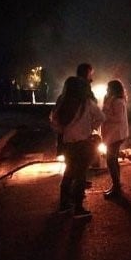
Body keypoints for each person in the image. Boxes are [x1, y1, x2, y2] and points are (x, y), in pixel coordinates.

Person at [50, 76, 105, 218]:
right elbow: (101, 117)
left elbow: (54, 122)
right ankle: (78, 209)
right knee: (80, 175)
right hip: (83, 144)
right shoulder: (86, 103)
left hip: (68, 144)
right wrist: (90, 128)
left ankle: (64, 204)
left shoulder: (63, 103)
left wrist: (64, 130)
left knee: (68, 172)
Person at [101, 80, 129, 198]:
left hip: (115, 135)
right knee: (113, 160)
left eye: (108, 88)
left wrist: (104, 115)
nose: (107, 90)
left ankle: (116, 187)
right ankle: (116, 186)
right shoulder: (114, 100)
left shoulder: (118, 101)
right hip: (113, 135)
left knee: (110, 161)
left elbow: (118, 118)